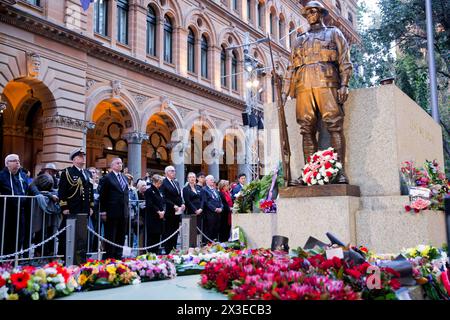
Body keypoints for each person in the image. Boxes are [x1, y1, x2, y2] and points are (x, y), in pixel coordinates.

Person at [286, 1, 353, 183]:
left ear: (321, 13)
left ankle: (340, 172)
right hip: (304, 86)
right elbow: (292, 66)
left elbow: (344, 61)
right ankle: (309, 173)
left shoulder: (334, 33)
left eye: (313, 12)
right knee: (306, 129)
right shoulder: (299, 39)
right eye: (307, 13)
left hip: (327, 82)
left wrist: (344, 84)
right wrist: (286, 91)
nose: (309, 16)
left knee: (334, 125)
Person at [57, 148, 94, 264]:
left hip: (84, 208)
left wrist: (91, 206)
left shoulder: (87, 173)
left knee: (82, 234)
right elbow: (62, 191)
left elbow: (90, 190)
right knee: (67, 234)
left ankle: (80, 257)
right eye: (80, 156)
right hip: (72, 208)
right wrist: (64, 207)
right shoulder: (67, 172)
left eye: (83, 156)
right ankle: (64, 257)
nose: (83, 158)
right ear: (74, 159)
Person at [0, 154, 38, 255]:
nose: (17, 162)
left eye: (18, 160)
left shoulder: (23, 175)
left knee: (19, 235)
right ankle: (4, 259)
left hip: (21, 210)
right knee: (6, 235)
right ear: (7, 163)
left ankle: (14, 258)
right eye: (14, 160)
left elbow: (31, 187)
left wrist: (38, 194)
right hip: (6, 211)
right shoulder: (1, 175)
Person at [98, 158, 129, 259]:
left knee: (121, 236)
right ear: (112, 165)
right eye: (117, 163)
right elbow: (102, 196)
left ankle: (118, 256)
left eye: (121, 163)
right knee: (111, 236)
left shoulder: (124, 177)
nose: (120, 165)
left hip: (123, 212)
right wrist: (103, 211)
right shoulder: (107, 178)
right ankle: (109, 258)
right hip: (111, 212)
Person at [160, 165, 185, 254]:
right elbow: (164, 197)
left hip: (177, 212)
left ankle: (174, 249)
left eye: (174, 171)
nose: (174, 172)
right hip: (169, 211)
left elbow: (179, 196)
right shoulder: (164, 182)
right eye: (172, 171)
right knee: (169, 231)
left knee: (175, 230)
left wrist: (182, 203)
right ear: (167, 172)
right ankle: (168, 250)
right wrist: (173, 205)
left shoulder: (176, 182)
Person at [144, 174, 165, 254]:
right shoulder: (149, 191)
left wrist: (163, 211)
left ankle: (156, 252)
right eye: (159, 182)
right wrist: (158, 211)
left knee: (157, 236)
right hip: (152, 217)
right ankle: (150, 253)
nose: (160, 184)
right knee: (151, 237)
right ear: (155, 182)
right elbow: (150, 204)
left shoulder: (159, 191)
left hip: (160, 217)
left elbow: (162, 202)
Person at [202, 175, 223, 242]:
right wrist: (215, 209)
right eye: (211, 180)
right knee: (209, 230)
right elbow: (206, 202)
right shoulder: (204, 189)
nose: (213, 181)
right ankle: (208, 245)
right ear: (206, 181)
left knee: (216, 229)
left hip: (218, 213)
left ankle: (215, 244)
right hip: (210, 214)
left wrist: (221, 208)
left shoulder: (215, 190)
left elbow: (220, 200)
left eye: (213, 180)